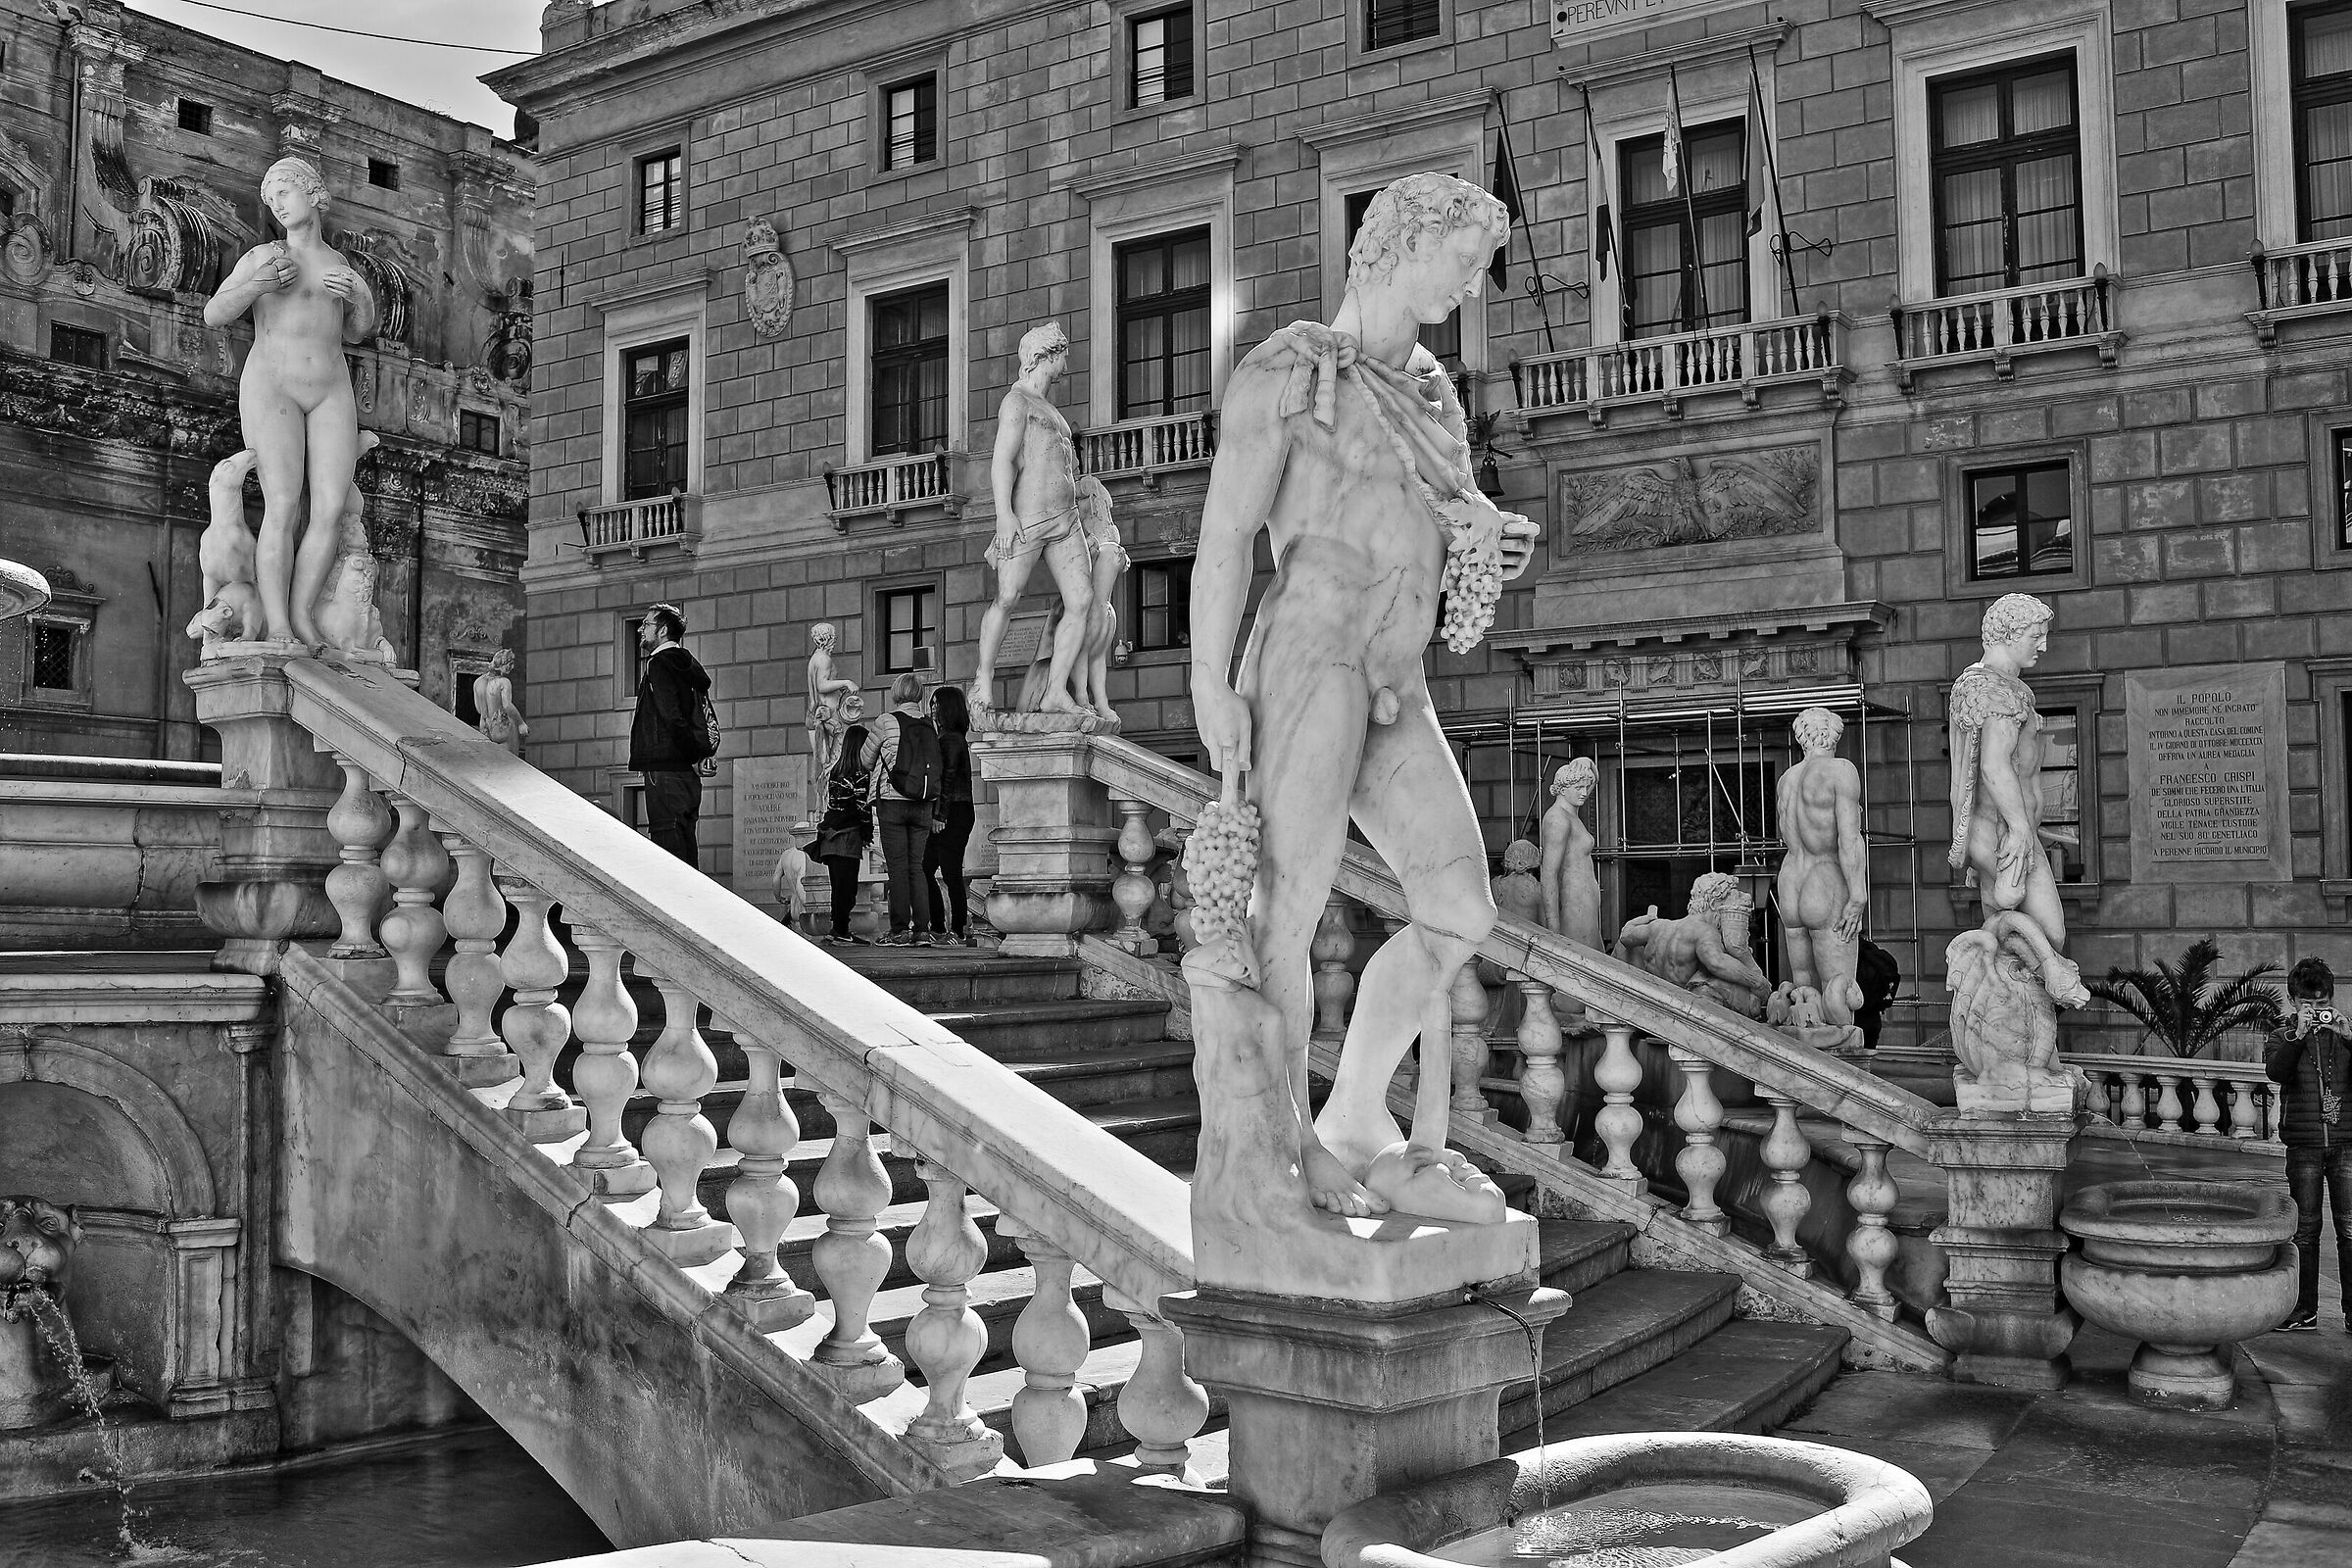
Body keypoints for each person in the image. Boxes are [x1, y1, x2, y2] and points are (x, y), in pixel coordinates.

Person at [1189, 171, 1537, 1218]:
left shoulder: (1435, 394)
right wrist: (1210, 681)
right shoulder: (1286, 375)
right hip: (1310, 653)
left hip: (1398, 674)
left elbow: (1449, 513)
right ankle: (1273, 1151)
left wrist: (1494, 537)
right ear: (1400, 242)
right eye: (1465, 256)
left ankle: (1350, 1115)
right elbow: (1224, 542)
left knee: (1459, 904)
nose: (1477, 281)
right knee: (1282, 913)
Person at [202, 156, 378, 647]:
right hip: (273, 384)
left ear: (313, 193)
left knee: (328, 507)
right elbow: (215, 312)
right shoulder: (264, 255)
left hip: (330, 387)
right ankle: (277, 624)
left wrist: (360, 296)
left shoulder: (339, 264)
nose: (277, 203)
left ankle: (301, 614)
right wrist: (258, 285)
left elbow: (359, 329)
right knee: (283, 505)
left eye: (284, 190)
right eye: (270, 196)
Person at [974, 322, 1093, 710]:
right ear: (1047, 355)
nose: (1066, 363)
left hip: (1066, 519)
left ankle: (1055, 691)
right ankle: (984, 680)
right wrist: (1003, 515)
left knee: (1082, 599)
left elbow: (1065, 470)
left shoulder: (1054, 413)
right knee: (1007, 597)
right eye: (1064, 355)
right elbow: (1003, 461)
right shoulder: (1017, 401)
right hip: (1028, 518)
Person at [2267, 957, 2352, 1332]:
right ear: (2293, 1002)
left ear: (2331, 999)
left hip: (2347, 1143)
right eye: (2307, 1005)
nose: (2316, 1012)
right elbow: (2276, 1072)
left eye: (2322, 1005)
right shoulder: (2282, 1035)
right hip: (2303, 1145)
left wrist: (2351, 1037)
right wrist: (2298, 1036)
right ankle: (2304, 1310)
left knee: (2350, 1229)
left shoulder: (2345, 1035)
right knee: (2305, 1230)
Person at [1777, 707, 1869, 1029]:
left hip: (1791, 881)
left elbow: (1787, 835)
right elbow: (1848, 839)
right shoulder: (1840, 770)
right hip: (1824, 879)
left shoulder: (1787, 779)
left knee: (1804, 994)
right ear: (1833, 735)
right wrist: (1857, 894)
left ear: (1802, 738)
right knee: (1839, 994)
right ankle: (1838, 1066)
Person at [627, 603, 712, 864]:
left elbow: (671, 717)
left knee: (667, 845)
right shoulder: (687, 665)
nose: (640, 629)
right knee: (685, 840)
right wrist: (697, 755)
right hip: (685, 771)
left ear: (663, 630)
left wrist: (686, 753)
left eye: (646, 624)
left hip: (664, 767)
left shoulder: (659, 664)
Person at [861, 671, 942, 946]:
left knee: (897, 867)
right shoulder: (930, 724)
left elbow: (866, 759)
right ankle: (922, 930)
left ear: (896, 693)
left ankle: (898, 930)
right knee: (916, 867)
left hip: (892, 800)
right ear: (919, 695)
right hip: (923, 803)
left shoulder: (886, 721)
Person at [922, 684, 977, 946]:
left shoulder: (951, 740)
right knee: (928, 867)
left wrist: (940, 816)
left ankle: (955, 929)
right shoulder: (949, 738)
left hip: (953, 811)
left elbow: (947, 779)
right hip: (956, 809)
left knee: (949, 870)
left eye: (937, 704)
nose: (933, 708)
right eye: (932, 703)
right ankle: (942, 926)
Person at [812, 729, 874, 945]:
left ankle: (838, 928)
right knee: (848, 887)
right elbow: (862, 808)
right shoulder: (860, 773)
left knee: (838, 886)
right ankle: (840, 929)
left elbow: (834, 805)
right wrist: (868, 833)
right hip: (847, 837)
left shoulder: (836, 771)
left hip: (830, 837)